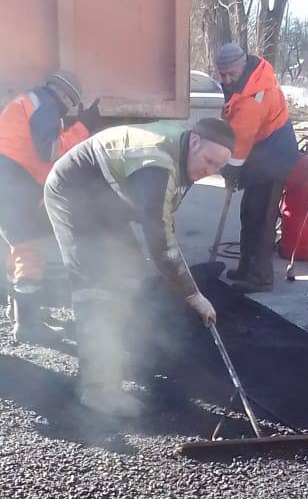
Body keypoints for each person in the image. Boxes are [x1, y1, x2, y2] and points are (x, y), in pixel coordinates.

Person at [43, 117, 235, 418]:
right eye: (208, 161)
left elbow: (163, 222)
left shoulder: (180, 154)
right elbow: (161, 243)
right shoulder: (156, 165)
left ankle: (123, 351)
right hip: (73, 195)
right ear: (194, 142)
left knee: (129, 271)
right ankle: (98, 391)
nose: (208, 171)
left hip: (107, 198)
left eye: (217, 168)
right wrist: (193, 295)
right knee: (98, 289)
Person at [0, 70, 104, 342]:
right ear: (65, 96)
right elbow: (49, 151)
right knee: (29, 251)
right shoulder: (45, 105)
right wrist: (83, 127)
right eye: (71, 102)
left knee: (18, 247)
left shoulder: (31, 102)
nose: (69, 108)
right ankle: (28, 327)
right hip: (9, 182)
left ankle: (20, 315)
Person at [215, 42, 299, 293]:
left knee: (262, 217)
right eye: (223, 74)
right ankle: (246, 267)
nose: (227, 79)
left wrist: (230, 171)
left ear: (242, 65)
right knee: (249, 212)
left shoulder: (255, 96)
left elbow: (240, 143)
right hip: (261, 150)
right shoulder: (245, 81)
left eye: (231, 73)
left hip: (275, 154)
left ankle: (261, 276)